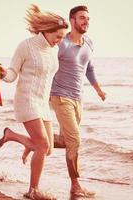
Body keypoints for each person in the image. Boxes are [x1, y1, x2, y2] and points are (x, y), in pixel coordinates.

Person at [22, 5, 106, 198]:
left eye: (88, 18)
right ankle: (75, 185)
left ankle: (32, 142)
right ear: (73, 21)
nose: (86, 21)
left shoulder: (89, 43)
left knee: (66, 141)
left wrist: (99, 90)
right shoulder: (62, 44)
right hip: (60, 97)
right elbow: (46, 62)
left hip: (78, 98)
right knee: (75, 140)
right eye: (82, 18)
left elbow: (89, 68)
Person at [0, 4, 68, 200]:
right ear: (46, 31)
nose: (60, 41)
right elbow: (12, 75)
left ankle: (11, 135)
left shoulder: (53, 50)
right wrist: (3, 73)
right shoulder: (25, 46)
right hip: (26, 100)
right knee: (42, 146)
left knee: (48, 150)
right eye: (58, 36)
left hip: (43, 103)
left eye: (62, 37)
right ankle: (32, 190)